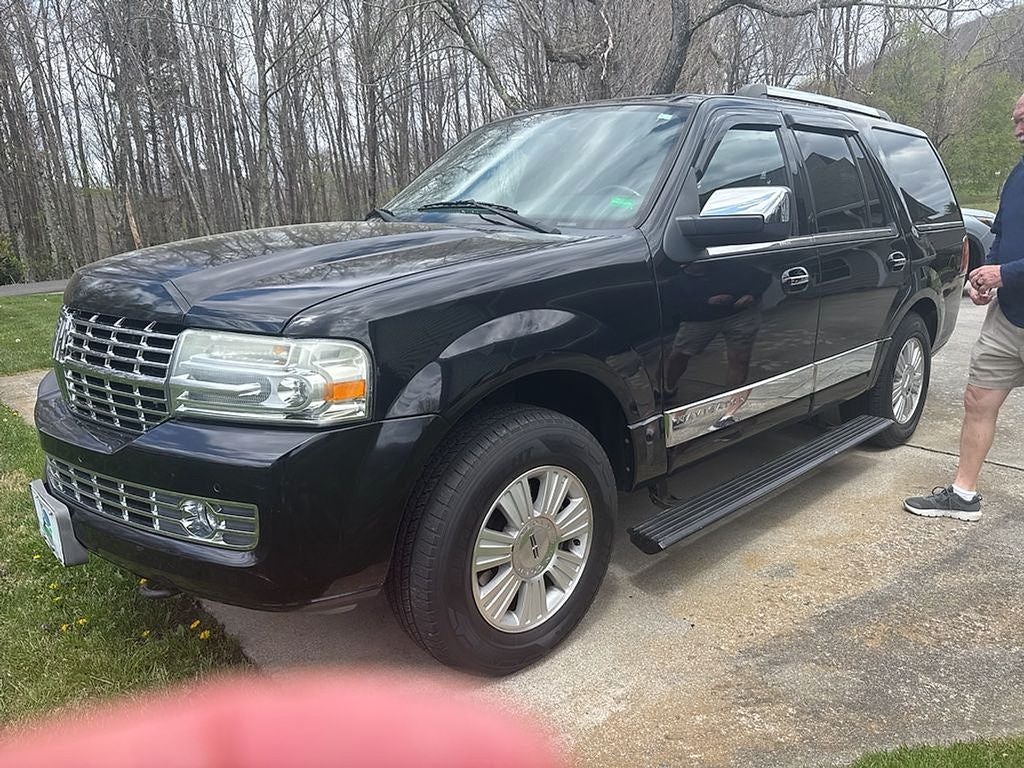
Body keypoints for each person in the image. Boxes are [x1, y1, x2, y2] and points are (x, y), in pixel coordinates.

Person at [904, 91, 1024, 522]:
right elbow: (1002, 232)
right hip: (1008, 317)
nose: (1017, 129)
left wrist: (1004, 274)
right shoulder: (1018, 174)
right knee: (978, 399)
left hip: (1013, 291)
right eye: (1015, 120)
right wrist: (987, 276)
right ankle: (963, 495)